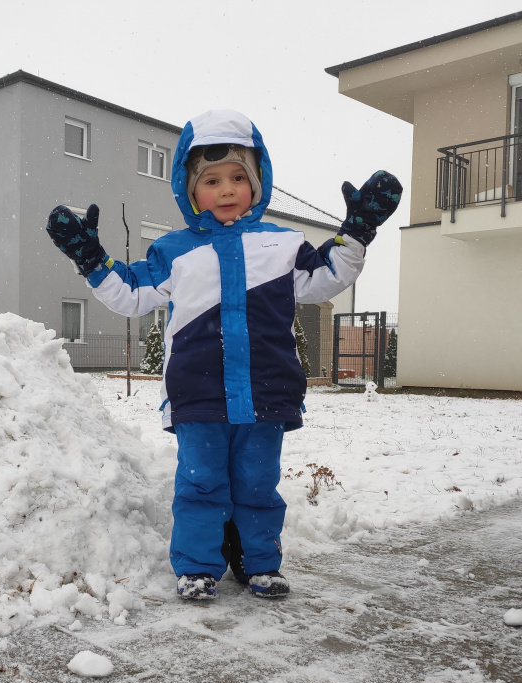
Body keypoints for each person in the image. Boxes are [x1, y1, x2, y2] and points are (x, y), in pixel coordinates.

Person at [45, 109, 400, 600]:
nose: (228, 189)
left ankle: (260, 564)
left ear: (259, 183)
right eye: (211, 180)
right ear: (189, 190)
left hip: (266, 392)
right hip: (199, 394)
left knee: (257, 484)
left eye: (239, 177)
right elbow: (131, 293)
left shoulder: (282, 244)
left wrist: (357, 232)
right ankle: (197, 566)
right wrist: (91, 259)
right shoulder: (173, 251)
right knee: (201, 483)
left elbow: (326, 279)